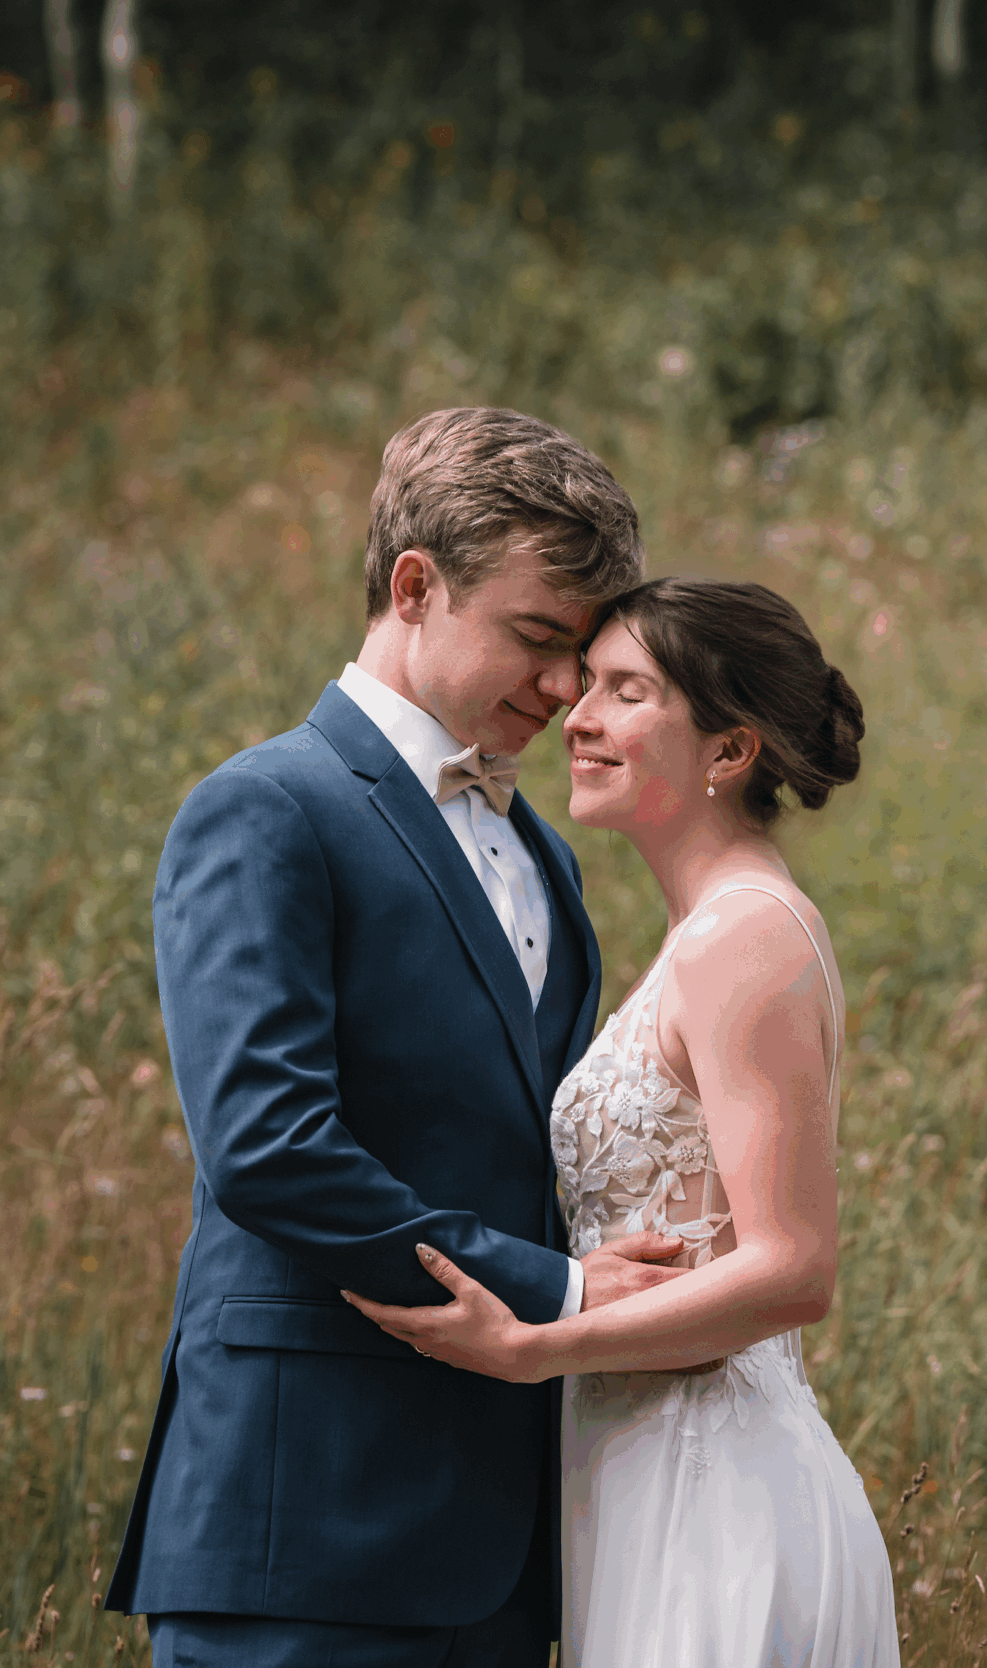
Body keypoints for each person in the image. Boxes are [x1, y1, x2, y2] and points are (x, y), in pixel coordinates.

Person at [106, 407, 696, 1668]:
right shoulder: (265, 808)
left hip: (504, 1546)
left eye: (582, 650)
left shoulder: (546, 853)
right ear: (416, 586)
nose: (564, 687)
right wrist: (562, 1291)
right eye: (537, 636)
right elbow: (267, 1148)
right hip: (306, 1514)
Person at [346, 576, 900, 1667]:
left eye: (625, 691)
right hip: (637, 1482)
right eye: (586, 682)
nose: (577, 714)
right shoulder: (699, 932)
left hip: (722, 1501)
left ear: (729, 750)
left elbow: (794, 1268)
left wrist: (534, 1348)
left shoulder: (745, 937)